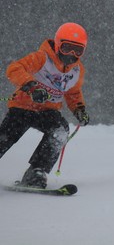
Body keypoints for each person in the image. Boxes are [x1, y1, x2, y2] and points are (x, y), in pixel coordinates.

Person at [0, 22, 90, 189]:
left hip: (48, 111)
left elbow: (73, 93)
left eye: (77, 50)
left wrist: (79, 109)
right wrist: (32, 86)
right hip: (23, 107)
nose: (71, 54)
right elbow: (14, 69)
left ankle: (36, 172)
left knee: (60, 131)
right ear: (57, 44)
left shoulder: (77, 70)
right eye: (66, 48)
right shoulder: (42, 58)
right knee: (6, 137)